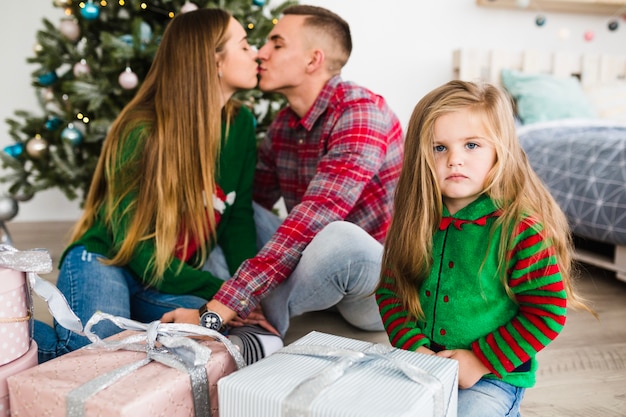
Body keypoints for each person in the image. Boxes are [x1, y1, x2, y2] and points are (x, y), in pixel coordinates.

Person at [34, 8, 283, 365]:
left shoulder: (240, 124)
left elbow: (238, 217)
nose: (257, 53)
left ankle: (133, 323)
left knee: (216, 329)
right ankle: (15, 335)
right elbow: (133, 245)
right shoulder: (140, 130)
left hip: (164, 277)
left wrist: (241, 296)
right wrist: (225, 293)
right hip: (108, 259)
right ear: (213, 61)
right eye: (244, 46)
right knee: (95, 354)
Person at [162, 5, 404, 338]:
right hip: (314, 272)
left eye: (276, 44)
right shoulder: (284, 126)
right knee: (229, 213)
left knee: (338, 235)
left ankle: (251, 327)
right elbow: (248, 211)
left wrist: (217, 309)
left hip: (377, 288)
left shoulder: (360, 113)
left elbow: (312, 222)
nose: (260, 53)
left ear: (312, 60)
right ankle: (242, 310)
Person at [375, 80, 596, 417]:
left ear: (499, 150)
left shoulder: (519, 228)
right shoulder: (415, 220)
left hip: (493, 375)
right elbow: (392, 293)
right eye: (439, 148)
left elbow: (547, 312)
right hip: (421, 363)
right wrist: (414, 347)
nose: (455, 160)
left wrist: (480, 361)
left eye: (472, 145)